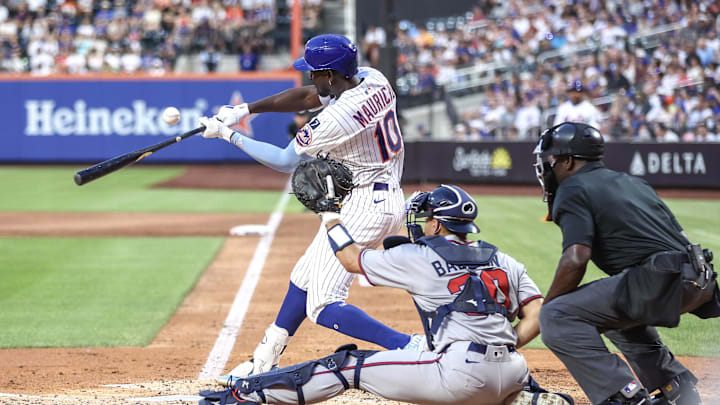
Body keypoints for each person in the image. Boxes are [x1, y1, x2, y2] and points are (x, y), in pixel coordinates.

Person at [200, 185, 570, 405]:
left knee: (348, 365)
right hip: (513, 370)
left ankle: (245, 396)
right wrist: (503, 345)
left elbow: (349, 259)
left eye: (427, 218)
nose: (423, 223)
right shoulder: (504, 259)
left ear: (438, 223)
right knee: (488, 378)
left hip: (459, 375)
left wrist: (329, 215)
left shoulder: (421, 255)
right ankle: (527, 397)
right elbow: (537, 314)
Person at [197, 34, 414, 385]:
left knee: (323, 303)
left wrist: (228, 134)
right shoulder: (374, 78)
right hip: (379, 194)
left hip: (364, 205)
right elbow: (309, 96)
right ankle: (263, 360)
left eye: (314, 72)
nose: (310, 77)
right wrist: (244, 110)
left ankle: (408, 346)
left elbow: (285, 161)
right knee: (303, 276)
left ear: (330, 74)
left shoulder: (339, 116)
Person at [532, 122, 720, 405]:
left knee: (557, 316)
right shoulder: (633, 182)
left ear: (568, 161)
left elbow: (576, 257)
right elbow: (678, 236)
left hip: (660, 278)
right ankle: (676, 388)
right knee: (613, 314)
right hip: (699, 277)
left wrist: (548, 308)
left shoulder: (572, 188)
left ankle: (624, 397)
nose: (548, 168)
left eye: (551, 161)